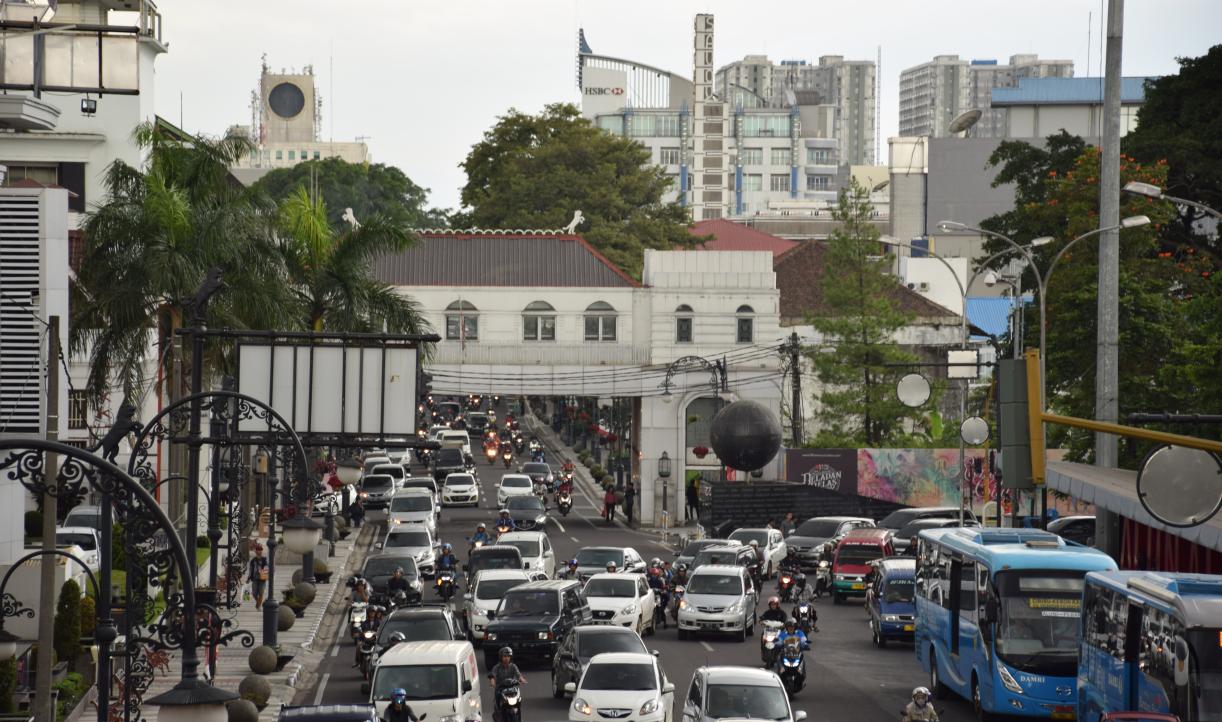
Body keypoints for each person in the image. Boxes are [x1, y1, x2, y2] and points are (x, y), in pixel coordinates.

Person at [487, 646, 525, 722]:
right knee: (497, 696)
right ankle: (498, 712)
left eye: (508, 656)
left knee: (518, 697)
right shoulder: (497, 667)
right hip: (501, 688)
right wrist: (492, 682)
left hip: (511, 687)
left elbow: (518, 674)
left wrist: (522, 679)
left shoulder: (513, 666)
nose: (506, 658)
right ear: (501, 657)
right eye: (504, 656)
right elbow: (492, 675)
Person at [247, 544, 269, 610]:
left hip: (262, 578)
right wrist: (248, 578)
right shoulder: (253, 561)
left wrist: (265, 571)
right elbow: (250, 570)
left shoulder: (265, 560)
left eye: (260, 550)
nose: (259, 551)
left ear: (261, 551)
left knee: (261, 593)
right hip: (255, 578)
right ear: (256, 551)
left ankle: (258, 606)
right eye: (258, 550)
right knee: (254, 593)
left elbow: (267, 568)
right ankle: (258, 603)